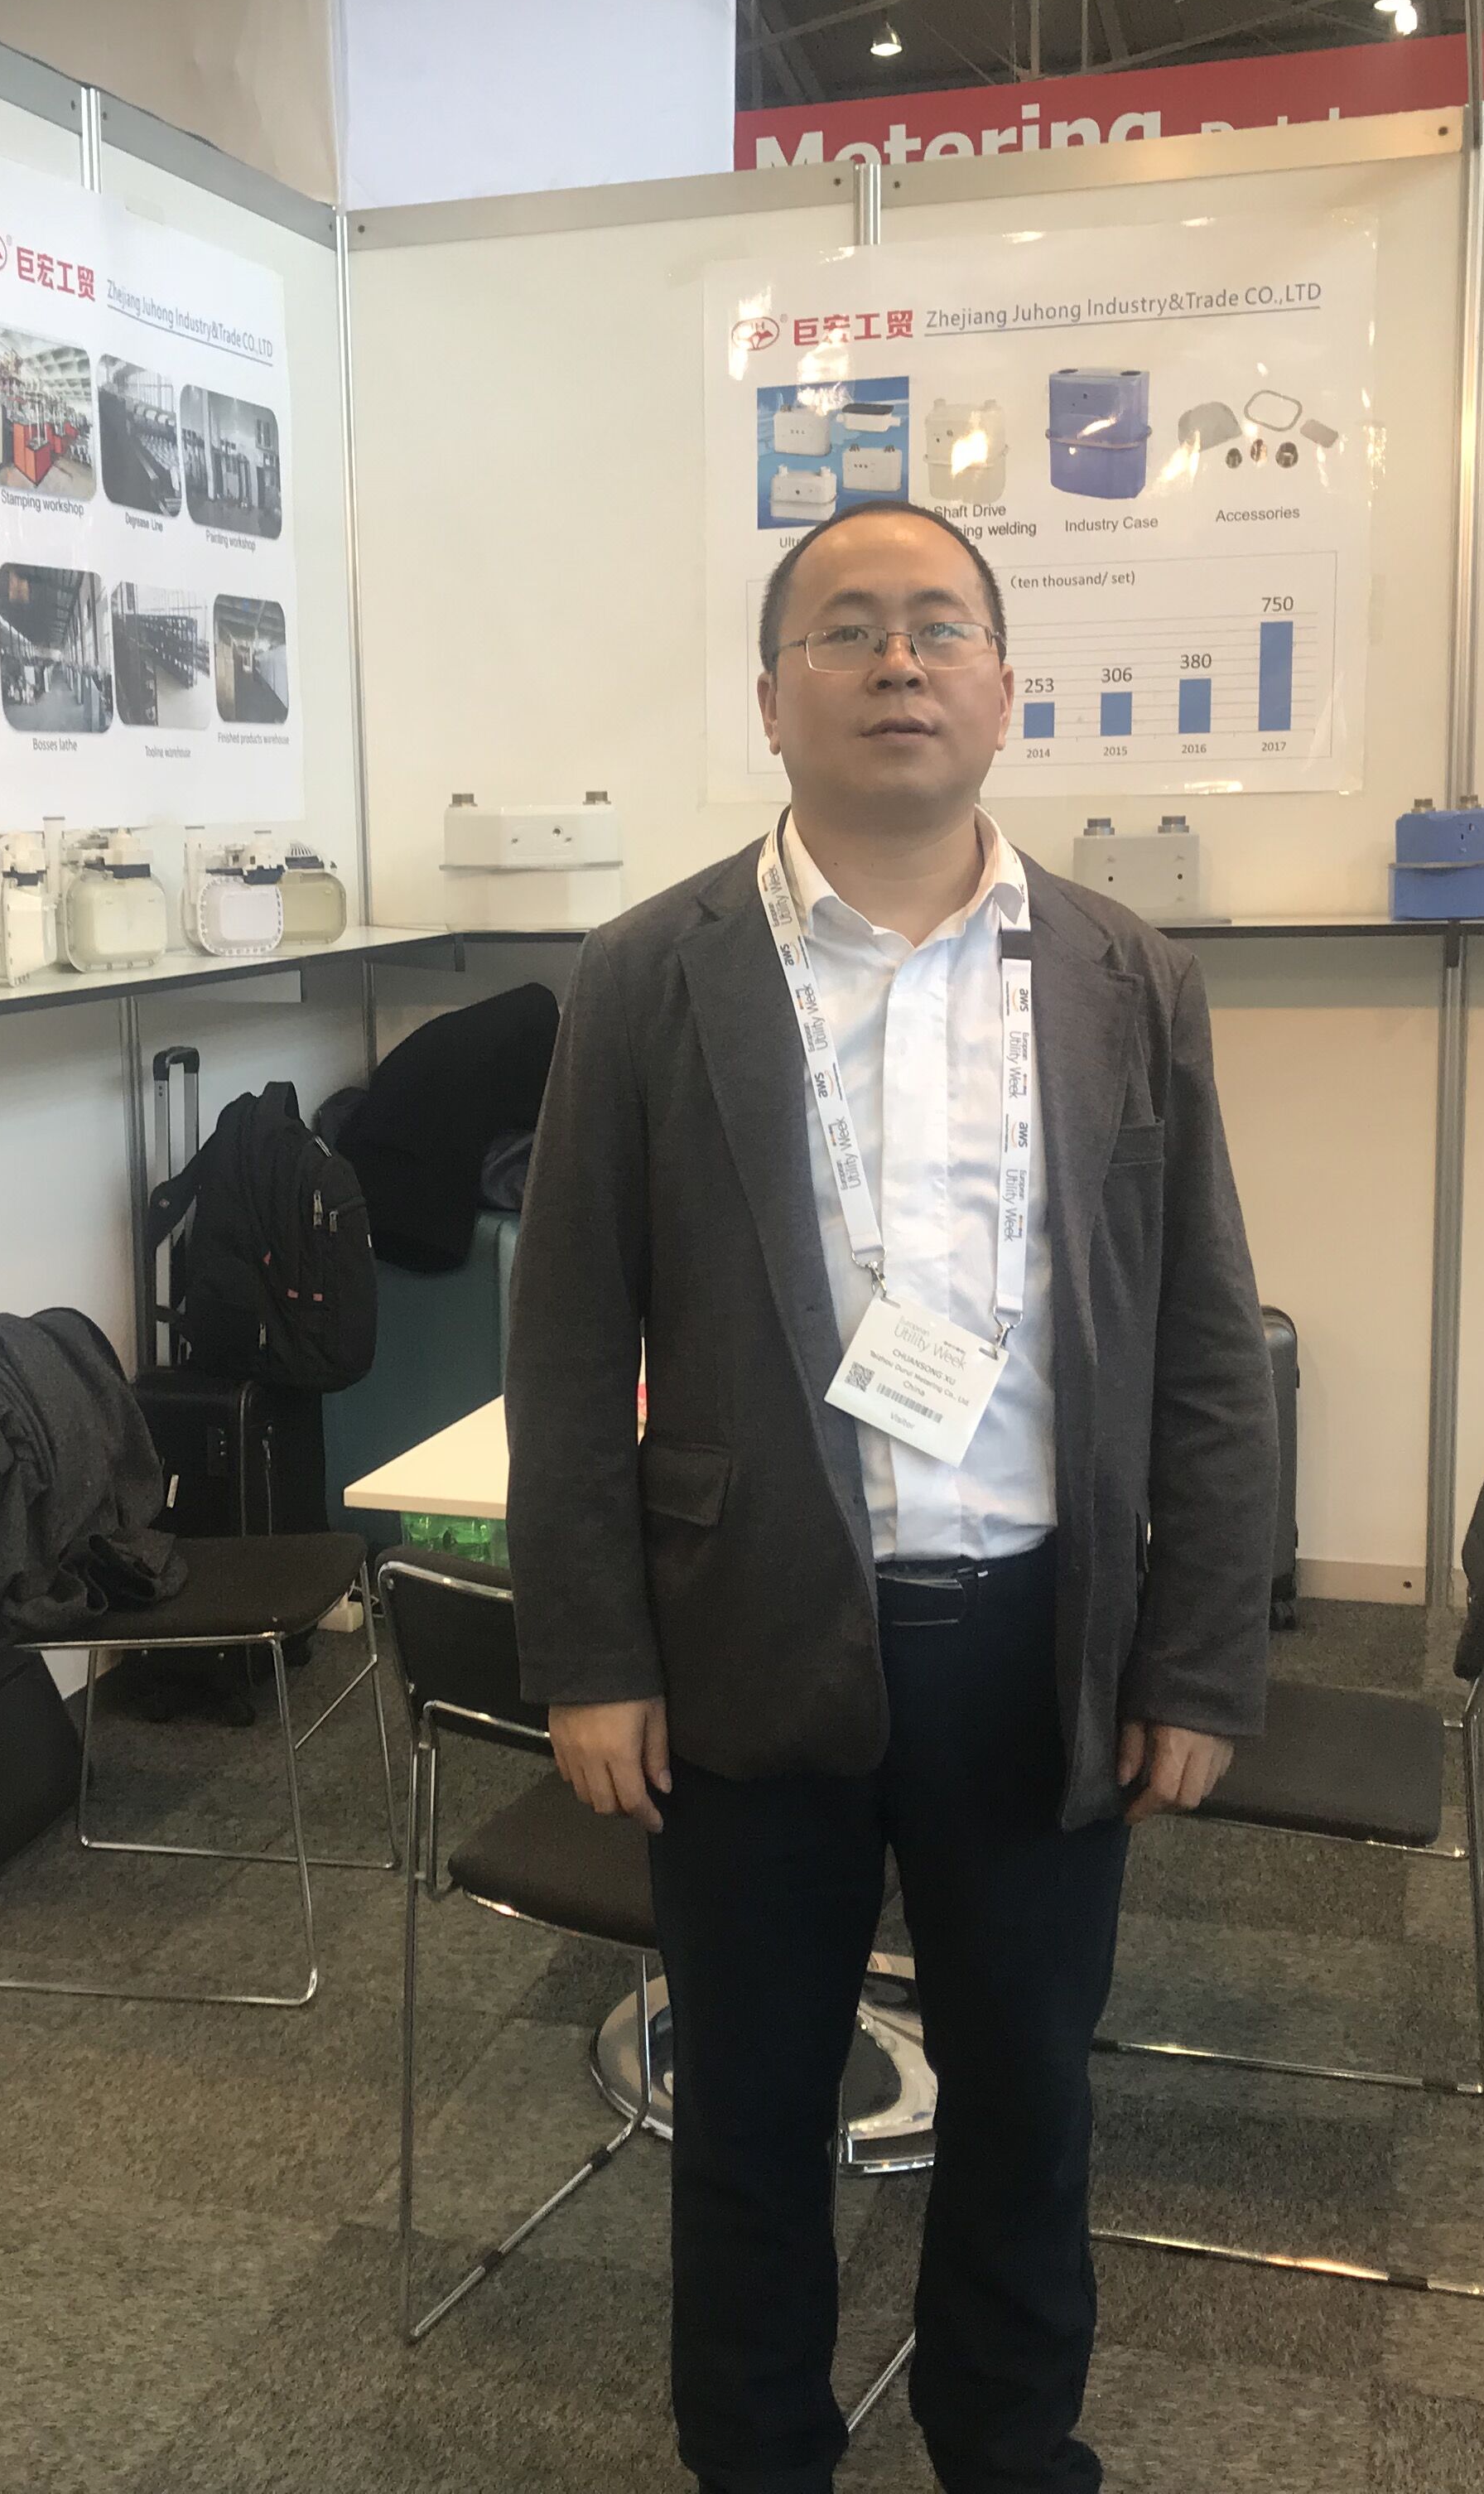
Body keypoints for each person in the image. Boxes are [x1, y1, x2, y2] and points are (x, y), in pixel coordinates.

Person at [506, 499, 1275, 2492]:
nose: (899, 661)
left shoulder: (1123, 975)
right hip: (745, 1637)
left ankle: (1009, 2452)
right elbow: (568, 1342)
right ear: (774, 699)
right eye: (846, 629)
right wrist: (590, 1654)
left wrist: (1199, 1654)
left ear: (1007, 687)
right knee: (753, 2106)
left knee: (1028, 2096)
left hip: (1037, 1636)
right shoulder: (646, 976)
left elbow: (1205, 1337)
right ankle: (757, 2459)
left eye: (941, 626)